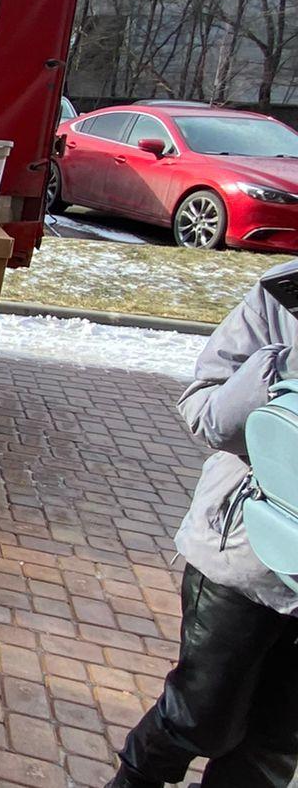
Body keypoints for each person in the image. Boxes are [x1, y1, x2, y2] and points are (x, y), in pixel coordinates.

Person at [107, 259, 298, 788]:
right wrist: (281, 371)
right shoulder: (283, 295)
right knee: (200, 716)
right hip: (245, 556)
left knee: (274, 749)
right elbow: (206, 413)